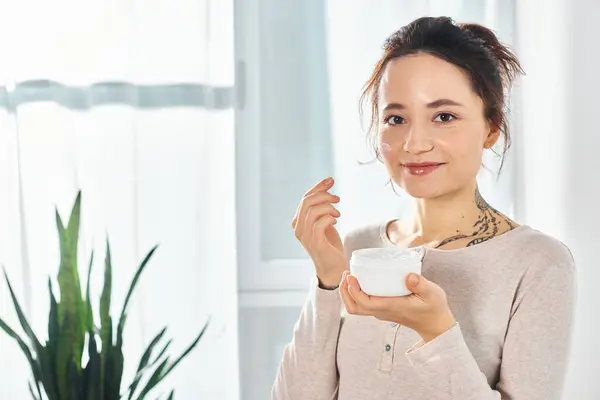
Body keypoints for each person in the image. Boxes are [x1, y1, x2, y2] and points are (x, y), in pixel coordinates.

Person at [271, 16, 576, 400]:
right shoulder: (356, 248)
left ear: (491, 127)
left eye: (444, 116)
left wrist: (437, 331)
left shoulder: (538, 263)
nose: (414, 143)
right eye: (395, 118)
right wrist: (329, 281)